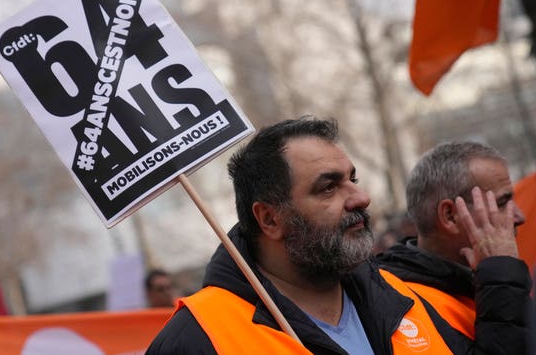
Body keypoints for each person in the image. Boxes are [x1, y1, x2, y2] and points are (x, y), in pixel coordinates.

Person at [147, 116, 456, 355]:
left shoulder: (397, 293)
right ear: (269, 219)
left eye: (353, 179)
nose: (360, 197)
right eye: (328, 187)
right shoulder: (197, 339)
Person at [376, 141, 532, 354]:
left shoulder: (490, 277)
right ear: (450, 216)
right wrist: (501, 278)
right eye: (502, 203)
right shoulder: (398, 305)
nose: (519, 216)